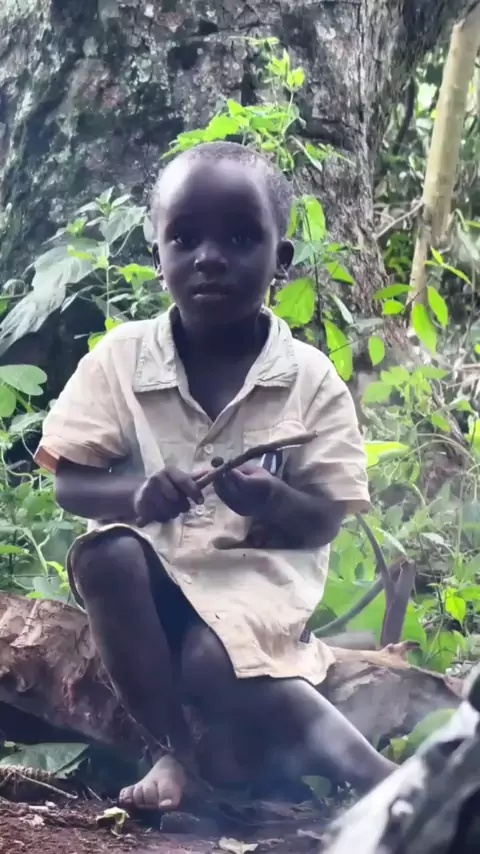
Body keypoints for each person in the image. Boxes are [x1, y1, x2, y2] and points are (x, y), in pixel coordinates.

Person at [34, 141, 395, 813]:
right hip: (156, 586)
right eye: (185, 238)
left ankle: (381, 781)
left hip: (257, 586)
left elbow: (326, 518)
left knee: (211, 659)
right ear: (158, 255)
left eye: (239, 238)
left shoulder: (309, 379)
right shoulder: (122, 359)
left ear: (281, 259)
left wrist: (274, 498)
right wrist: (137, 495)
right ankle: (174, 750)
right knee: (106, 554)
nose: (209, 257)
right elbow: (70, 485)